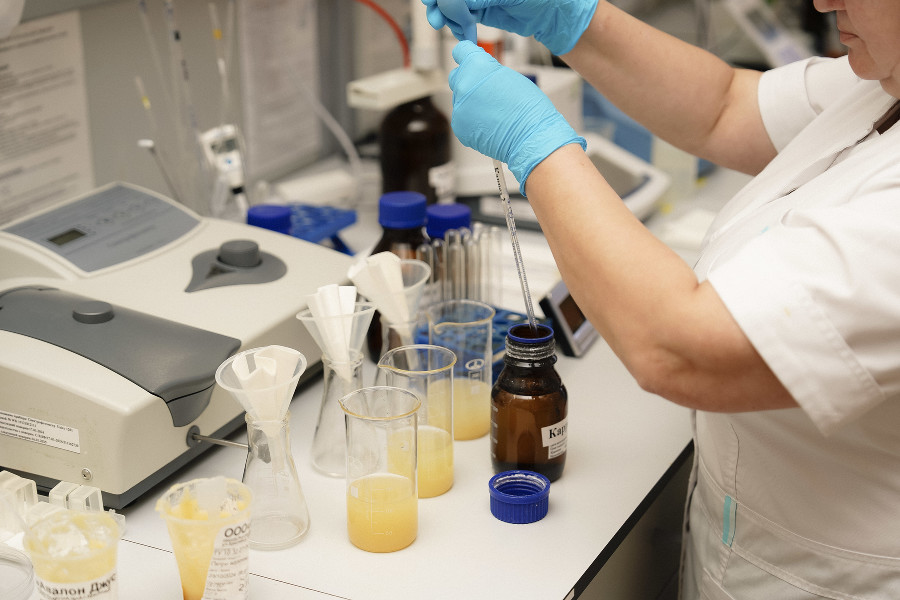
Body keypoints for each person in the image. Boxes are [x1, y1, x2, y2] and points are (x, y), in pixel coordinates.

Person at [424, 0, 900, 598]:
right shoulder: (883, 78)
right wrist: (567, 17)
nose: (823, 1)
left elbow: (679, 348)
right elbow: (725, 106)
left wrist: (534, 143)